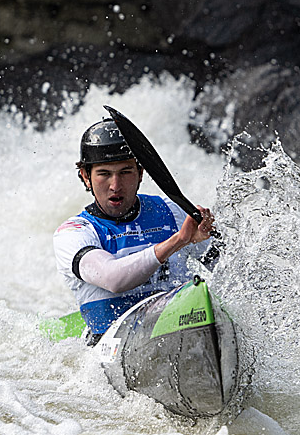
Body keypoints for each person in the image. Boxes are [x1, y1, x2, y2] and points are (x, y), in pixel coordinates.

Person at [53, 117, 216, 344]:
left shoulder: (172, 212)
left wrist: (217, 234)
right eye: (104, 173)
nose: (115, 185)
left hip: (183, 326)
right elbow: (113, 278)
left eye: (125, 172)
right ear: (85, 176)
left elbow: (225, 268)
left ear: (140, 173)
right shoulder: (74, 233)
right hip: (112, 343)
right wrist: (179, 241)